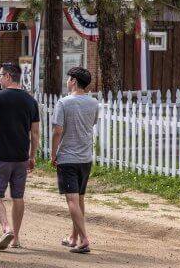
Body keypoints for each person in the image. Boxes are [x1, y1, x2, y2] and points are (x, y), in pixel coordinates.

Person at [0, 62, 40, 250]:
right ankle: (16, 237)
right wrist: (32, 156)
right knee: (18, 196)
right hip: (21, 157)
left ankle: (6, 227)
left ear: (8, 76)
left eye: (0, 76)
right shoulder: (30, 101)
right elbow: (35, 133)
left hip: (0, 156)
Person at [51, 66, 98, 254]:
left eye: (68, 78)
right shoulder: (94, 103)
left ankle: (84, 239)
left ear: (74, 81)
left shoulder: (64, 103)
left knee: (71, 200)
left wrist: (53, 153)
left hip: (68, 157)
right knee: (79, 198)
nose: (67, 81)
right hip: (85, 157)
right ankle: (73, 237)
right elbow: (92, 123)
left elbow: (58, 131)